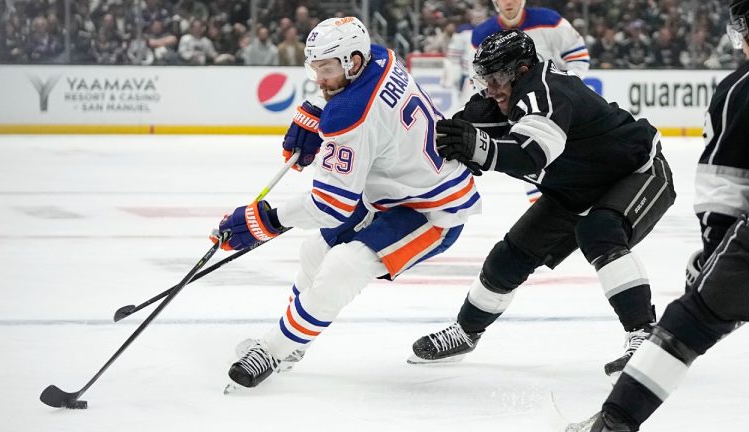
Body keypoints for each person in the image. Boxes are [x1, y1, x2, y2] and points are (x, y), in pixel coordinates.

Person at [213, 16, 481, 389]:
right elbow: (349, 100)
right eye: (315, 68)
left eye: (326, 69)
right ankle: (293, 344)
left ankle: (273, 350)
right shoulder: (380, 56)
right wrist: (313, 112)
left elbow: (330, 205)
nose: (319, 79)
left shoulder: (351, 114)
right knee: (315, 249)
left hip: (434, 209)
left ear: (352, 61)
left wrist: (267, 220)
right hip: (393, 191)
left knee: (343, 265)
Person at [407, 29, 676, 378]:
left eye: (497, 77)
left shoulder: (545, 93)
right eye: (484, 78)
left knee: (600, 231)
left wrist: (480, 148)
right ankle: (466, 331)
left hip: (638, 172)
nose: (490, 88)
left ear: (522, 70)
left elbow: (529, 155)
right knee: (509, 256)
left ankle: (643, 333)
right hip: (575, 189)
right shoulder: (492, 103)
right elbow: (445, 137)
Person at [575, 2, 749, 430]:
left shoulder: (740, 89)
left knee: (688, 322)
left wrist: (715, 250)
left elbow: (724, 186)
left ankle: (614, 422)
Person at [472, 0, 590, 203]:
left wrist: (561, 88)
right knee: (530, 157)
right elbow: (478, 78)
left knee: (567, 161)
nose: (508, 2)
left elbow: (578, 56)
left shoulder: (550, 21)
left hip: (555, 108)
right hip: (515, 109)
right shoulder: (482, 33)